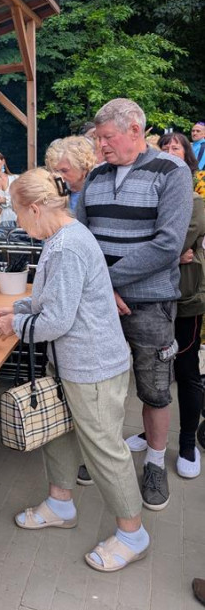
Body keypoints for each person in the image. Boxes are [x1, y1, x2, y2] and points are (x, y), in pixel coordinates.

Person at [0, 168, 149, 573]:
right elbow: (51, 299)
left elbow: (56, 321)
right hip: (72, 364)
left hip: (93, 367)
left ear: (37, 208)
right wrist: (17, 308)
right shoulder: (63, 237)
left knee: (104, 450)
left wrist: (14, 326)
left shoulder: (66, 247)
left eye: (19, 216)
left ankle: (133, 534)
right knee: (59, 436)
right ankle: (60, 504)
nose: (19, 225)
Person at [76, 98, 193, 510]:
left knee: (155, 389)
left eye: (107, 138)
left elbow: (168, 244)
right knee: (103, 383)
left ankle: (156, 464)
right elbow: (80, 235)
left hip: (150, 302)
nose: (101, 147)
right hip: (101, 301)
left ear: (135, 132)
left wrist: (107, 280)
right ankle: (105, 455)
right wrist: (101, 288)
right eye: (99, 139)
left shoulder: (172, 171)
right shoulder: (96, 175)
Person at [126, 132, 205, 479]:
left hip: (185, 298)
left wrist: (167, 253)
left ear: (188, 158)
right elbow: (150, 240)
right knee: (155, 370)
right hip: (153, 297)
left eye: (178, 148)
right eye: (165, 148)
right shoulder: (150, 195)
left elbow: (170, 242)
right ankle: (151, 433)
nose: (170, 151)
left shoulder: (197, 199)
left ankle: (186, 442)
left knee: (186, 370)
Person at [45, 136, 96, 212]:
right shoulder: (55, 191)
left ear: (84, 168)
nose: (59, 176)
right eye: (56, 171)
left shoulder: (96, 194)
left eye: (64, 170)